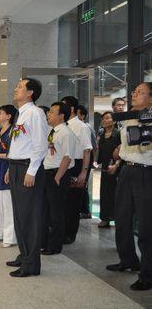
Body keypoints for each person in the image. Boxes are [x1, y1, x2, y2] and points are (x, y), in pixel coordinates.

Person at [106, 82, 152, 291]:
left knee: (145, 225)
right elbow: (125, 146)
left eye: (140, 92)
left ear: (151, 98)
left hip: (146, 172)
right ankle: (128, 260)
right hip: (127, 170)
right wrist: (118, 160)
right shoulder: (129, 117)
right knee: (122, 218)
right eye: (134, 92)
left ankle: (148, 273)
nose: (134, 95)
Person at [5, 78, 48, 278]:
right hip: (16, 166)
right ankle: (24, 254)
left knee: (29, 217)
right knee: (19, 215)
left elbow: (40, 145)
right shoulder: (21, 114)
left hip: (27, 169)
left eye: (20, 86)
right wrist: (9, 167)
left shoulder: (35, 113)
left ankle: (31, 264)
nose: (16, 88)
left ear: (30, 93)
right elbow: (19, 144)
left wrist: (31, 171)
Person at [41, 102, 75, 256]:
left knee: (56, 213)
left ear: (61, 115)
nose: (48, 114)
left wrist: (57, 177)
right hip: (47, 173)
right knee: (46, 211)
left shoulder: (66, 133)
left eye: (52, 112)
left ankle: (55, 246)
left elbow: (67, 158)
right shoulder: (53, 131)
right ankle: (46, 241)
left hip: (57, 174)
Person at [61, 96, 92, 244]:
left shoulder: (81, 126)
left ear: (71, 108)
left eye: (63, 106)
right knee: (64, 201)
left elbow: (87, 150)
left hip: (77, 165)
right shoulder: (64, 125)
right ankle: (61, 231)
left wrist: (84, 172)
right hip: (64, 164)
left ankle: (69, 234)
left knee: (73, 203)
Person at [0, 104, 18, 248]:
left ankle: (9, 237)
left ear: (9, 116)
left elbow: (14, 153)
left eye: (1, 113)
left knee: (7, 205)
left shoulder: (13, 132)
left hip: (6, 169)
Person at [95, 111, 120, 228]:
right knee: (104, 194)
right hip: (105, 168)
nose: (104, 120)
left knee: (115, 194)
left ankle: (117, 218)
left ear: (113, 120)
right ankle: (105, 218)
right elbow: (99, 154)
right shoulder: (101, 135)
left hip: (116, 168)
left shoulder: (118, 134)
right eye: (103, 119)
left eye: (107, 118)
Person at [76, 104, 97, 219]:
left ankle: (85, 210)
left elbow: (93, 146)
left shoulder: (86, 127)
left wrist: (94, 161)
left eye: (77, 114)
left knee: (82, 185)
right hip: (79, 160)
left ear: (83, 116)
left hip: (86, 160)